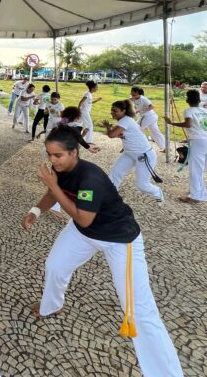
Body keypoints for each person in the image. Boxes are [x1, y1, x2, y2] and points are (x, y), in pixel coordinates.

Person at [22, 127, 183, 377]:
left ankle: (166, 373)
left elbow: (83, 217)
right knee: (55, 265)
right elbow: (55, 195)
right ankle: (52, 305)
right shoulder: (59, 170)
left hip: (118, 239)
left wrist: (53, 187)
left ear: (74, 153)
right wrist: (35, 211)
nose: (52, 160)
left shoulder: (91, 179)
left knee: (138, 310)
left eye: (58, 155)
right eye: (49, 154)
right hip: (83, 233)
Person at [164, 90, 207, 203]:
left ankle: (196, 196)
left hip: (199, 142)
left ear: (187, 100)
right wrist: (206, 128)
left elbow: (189, 124)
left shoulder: (188, 110)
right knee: (199, 170)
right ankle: (195, 191)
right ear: (199, 100)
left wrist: (172, 123)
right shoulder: (206, 110)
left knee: (195, 170)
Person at [101, 100, 164, 203]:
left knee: (142, 185)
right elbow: (120, 134)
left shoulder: (126, 120)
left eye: (115, 111)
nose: (112, 112)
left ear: (123, 111)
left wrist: (108, 127)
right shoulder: (125, 121)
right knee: (115, 173)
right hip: (130, 153)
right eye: (111, 110)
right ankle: (110, 197)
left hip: (144, 155)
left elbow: (111, 135)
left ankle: (157, 192)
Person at [129, 87, 165, 152]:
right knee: (155, 133)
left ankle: (139, 146)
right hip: (149, 117)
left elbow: (152, 106)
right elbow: (135, 106)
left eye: (134, 94)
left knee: (137, 129)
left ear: (139, 94)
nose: (132, 95)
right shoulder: (132, 98)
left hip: (149, 116)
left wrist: (140, 110)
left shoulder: (143, 98)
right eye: (131, 93)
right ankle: (165, 147)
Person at [78, 81, 101, 145]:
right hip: (84, 112)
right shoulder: (87, 94)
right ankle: (88, 141)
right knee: (89, 125)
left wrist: (97, 100)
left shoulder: (89, 94)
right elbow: (81, 102)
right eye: (96, 87)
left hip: (86, 111)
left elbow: (89, 102)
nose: (97, 89)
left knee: (84, 125)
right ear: (92, 88)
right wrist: (78, 110)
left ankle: (83, 138)